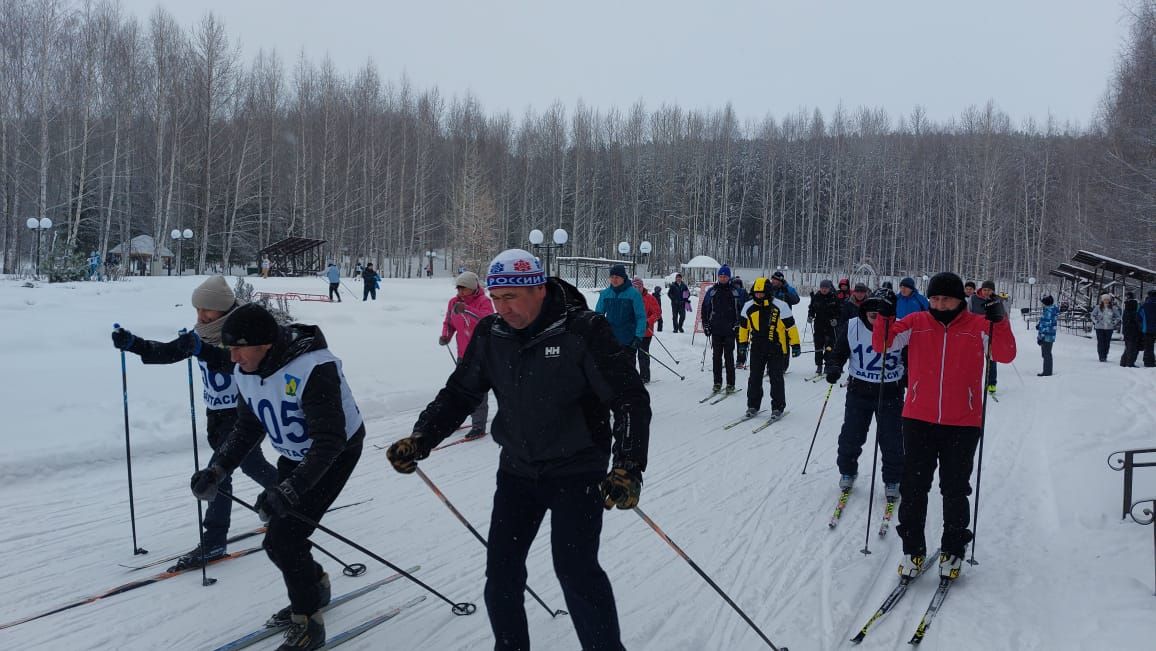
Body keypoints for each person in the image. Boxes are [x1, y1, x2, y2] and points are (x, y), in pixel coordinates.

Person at [386, 249, 650, 651]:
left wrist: (628, 465)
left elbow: (629, 398)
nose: (501, 307)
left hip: (576, 471)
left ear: (539, 290)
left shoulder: (582, 330)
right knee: (501, 574)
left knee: (575, 571)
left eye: (511, 297)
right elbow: (460, 393)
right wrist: (421, 438)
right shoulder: (493, 334)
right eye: (495, 297)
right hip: (518, 472)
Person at [189, 303, 365, 650]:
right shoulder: (247, 369)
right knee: (280, 540)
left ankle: (308, 624)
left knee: (283, 540)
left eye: (239, 347)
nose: (234, 357)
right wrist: (217, 469)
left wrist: (290, 489)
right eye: (230, 349)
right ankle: (314, 585)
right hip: (295, 453)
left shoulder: (314, 368)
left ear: (265, 344)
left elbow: (329, 442)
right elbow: (248, 425)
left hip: (334, 455)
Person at [111, 276, 278, 570]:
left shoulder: (243, 332)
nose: (201, 316)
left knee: (216, 476)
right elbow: (167, 353)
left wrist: (203, 351)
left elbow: (230, 361)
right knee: (252, 465)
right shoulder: (200, 333)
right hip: (216, 416)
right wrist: (135, 345)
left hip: (244, 416)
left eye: (207, 310)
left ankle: (214, 540)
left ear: (223, 309)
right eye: (198, 310)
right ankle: (292, 494)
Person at [873, 272, 1015, 581]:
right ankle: (913, 549)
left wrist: (999, 321)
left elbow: (1005, 354)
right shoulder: (917, 322)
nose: (939, 304)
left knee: (954, 488)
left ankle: (953, 549)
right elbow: (884, 344)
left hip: (962, 422)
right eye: (935, 298)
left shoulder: (978, 326)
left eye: (946, 299)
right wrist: (884, 315)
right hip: (918, 418)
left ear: (959, 300)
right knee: (913, 488)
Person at [825, 287, 906, 498]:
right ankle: (847, 471)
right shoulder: (853, 326)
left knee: (892, 440)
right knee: (851, 436)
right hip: (859, 391)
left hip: (890, 393)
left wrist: (910, 378)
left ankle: (893, 479)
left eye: (881, 311)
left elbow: (911, 359)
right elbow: (839, 352)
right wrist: (834, 366)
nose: (875, 314)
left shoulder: (901, 329)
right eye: (872, 309)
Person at [439, 271, 495, 439]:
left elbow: (487, 320)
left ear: (472, 288)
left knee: (477, 390)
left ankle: (478, 426)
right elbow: (449, 322)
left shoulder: (484, 301)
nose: (460, 292)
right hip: (463, 353)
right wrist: (446, 335)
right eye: (458, 288)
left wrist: (467, 310)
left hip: (482, 354)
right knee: (459, 389)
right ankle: (456, 419)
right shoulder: (453, 302)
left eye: (463, 289)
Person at [740, 277, 800, 419]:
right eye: (756, 293)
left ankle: (778, 407)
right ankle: (752, 405)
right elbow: (743, 328)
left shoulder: (781, 306)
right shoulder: (748, 306)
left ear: (768, 292)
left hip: (776, 347)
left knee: (776, 378)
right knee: (754, 377)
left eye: (761, 293)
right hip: (757, 348)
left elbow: (791, 327)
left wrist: (795, 344)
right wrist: (742, 344)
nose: (759, 295)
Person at [701, 265, 743, 394]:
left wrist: (738, 324)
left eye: (725, 276)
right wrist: (706, 325)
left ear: (729, 277)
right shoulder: (712, 291)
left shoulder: (735, 291)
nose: (723, 278)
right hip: (716, 329)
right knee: (716, 357)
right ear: (718, 277)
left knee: (729, 357)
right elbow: (705, 309)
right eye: (720, 276)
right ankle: (717, 382)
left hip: (730, 329)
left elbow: (741, 311)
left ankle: (730, 383)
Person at [594, 264, 646, 368]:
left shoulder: (634, 294)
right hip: (610, 338)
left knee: (627, 370)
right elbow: (598, 315)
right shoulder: (605, 294)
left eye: (617, 277)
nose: (614, 280)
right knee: (611, 369)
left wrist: (638, 337)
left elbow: (640, 317)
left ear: (623, 278)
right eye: (612, 277)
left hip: (628, 339)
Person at [968, 280, 1000, 392]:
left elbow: (1002, 316)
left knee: (991, 358)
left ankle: (991, 384)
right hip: (975, 333)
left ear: (993, 291)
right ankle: (971, 383)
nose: (986, 292)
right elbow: (968, 314)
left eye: (989, 290)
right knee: (973, 359)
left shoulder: (996, 300)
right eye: (985, 289)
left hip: (990, 333)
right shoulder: (973, 298)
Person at [808, 279, 842, 376]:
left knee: (829, 346)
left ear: (829, 288)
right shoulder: (816, 297)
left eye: (826, 288)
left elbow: (839, 311)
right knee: (818, 346)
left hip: (830, 326)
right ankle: (819, 365)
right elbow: (811, 308)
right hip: (818, 325)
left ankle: (827, 365)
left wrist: (836, 319)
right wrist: (810, 316)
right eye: (822, 288)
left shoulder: (833, 297)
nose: (824, 290)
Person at [634, 277, 662, 383]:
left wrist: (648, 321)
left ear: (642, 287)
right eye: (634, 287)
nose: (637, 289)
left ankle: (644, 377)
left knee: (643, 354)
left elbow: (657, 313)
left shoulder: (649, 298)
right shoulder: (630, 298)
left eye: (638, 287)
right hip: (632, 331)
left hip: (646, 332)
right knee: (630, 354)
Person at [1091, 294, 1121, 362]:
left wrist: (1114, 322)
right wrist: (1096, 321)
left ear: (1109, 300)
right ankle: (1101, 356)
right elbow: (1092, 315)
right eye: (1105, 299)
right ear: (1102, 300)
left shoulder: (1113, 308)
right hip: (1099, 328)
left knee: (1107, 342)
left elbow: (1118, 317)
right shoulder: (1098, 307)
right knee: (1101, 342)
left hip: (1109, 328)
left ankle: (1105, 355)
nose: (1106, 301)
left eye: (1107, 299)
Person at [1036, 294, 1059, 376]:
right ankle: (1047, 370)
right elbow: (1047, 323)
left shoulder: (1048, 311)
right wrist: (1039, 325)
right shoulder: (1051, 310)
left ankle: (1047, 372)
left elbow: (1046, 325)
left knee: (1046, 354)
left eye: (1042, 302)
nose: (1041, 304)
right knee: (1046, 353)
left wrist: (1041, 337)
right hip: (1050, 335)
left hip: (1047, 336)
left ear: (1046, 303)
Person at [1120, 292, 1142, 368]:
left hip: (1127, 331)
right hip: (1133, 332)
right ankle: (1130, 363)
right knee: (1132, 348)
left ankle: (1123, 362)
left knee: (1128, 347)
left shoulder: (1126, 311)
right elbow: (1138, 322)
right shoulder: (1134, 312)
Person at [1141, 289, 1156, 368]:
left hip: (1147, 329)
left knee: (1148, 346)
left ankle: (1148, 361)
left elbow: (1139, 316)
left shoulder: (1145, 305)